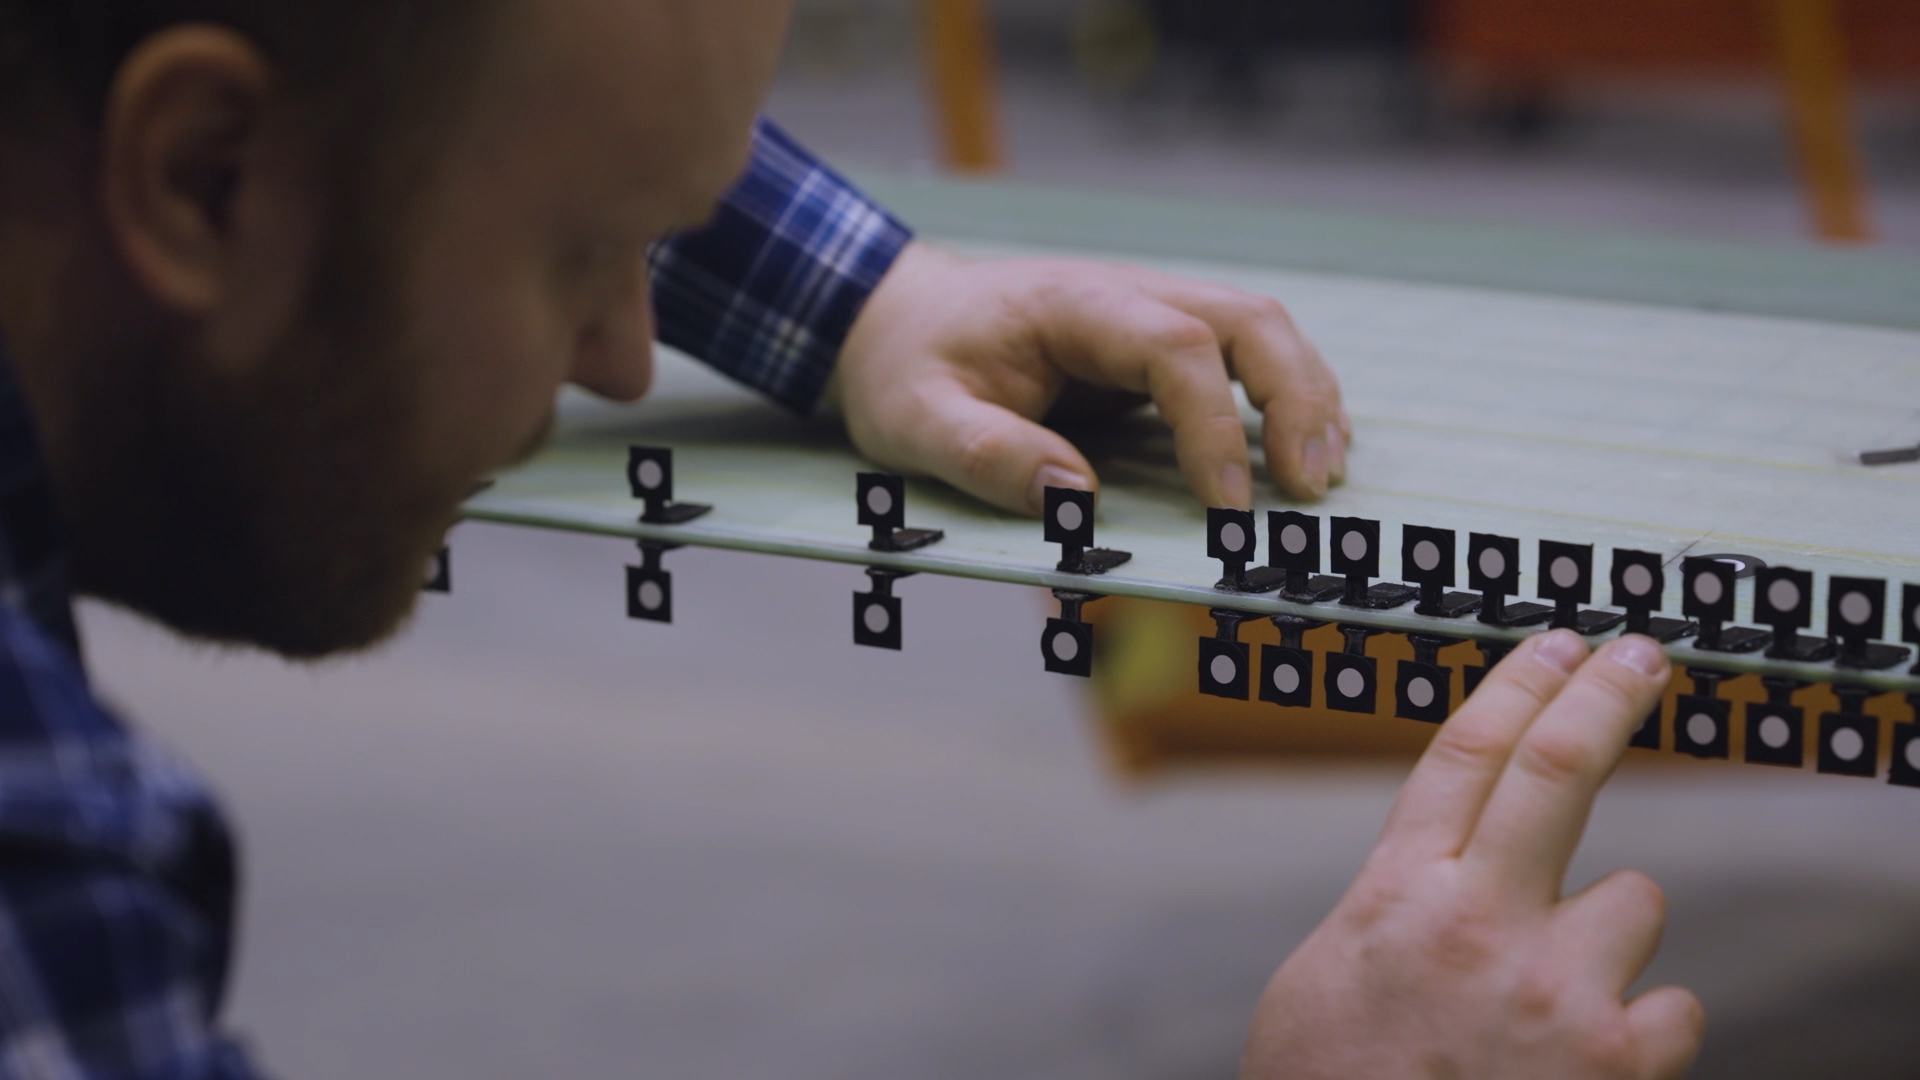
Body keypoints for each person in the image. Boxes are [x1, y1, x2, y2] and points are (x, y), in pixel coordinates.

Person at [0, 1, 1702, 1076]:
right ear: (205, 179)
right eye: (582, 251)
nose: (624, 359)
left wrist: (860, 296)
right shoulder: (37, 863)